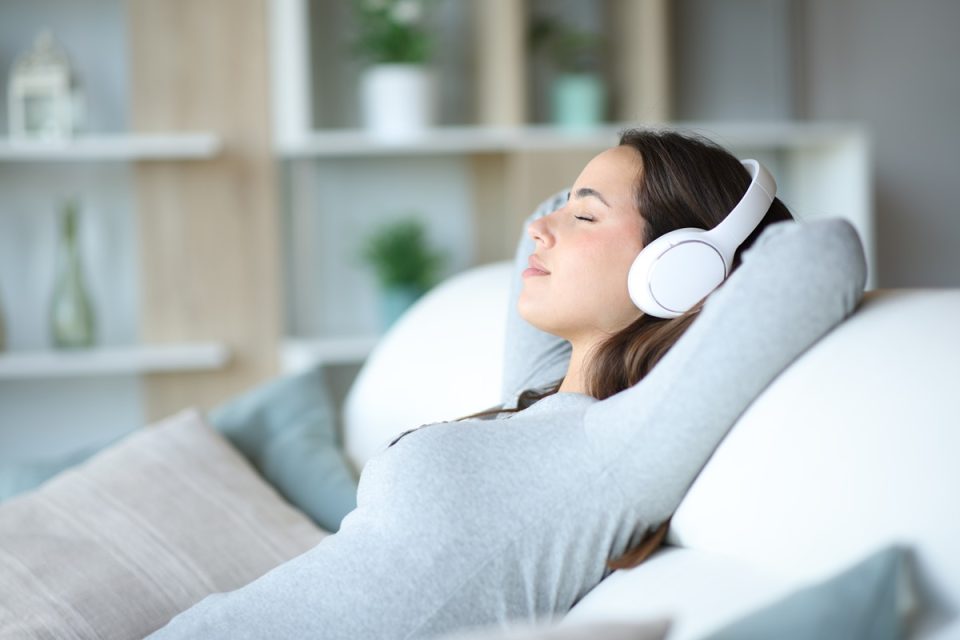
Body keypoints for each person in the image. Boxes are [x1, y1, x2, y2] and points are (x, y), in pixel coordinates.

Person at [150, 129, 866, 639]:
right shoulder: (543, 397)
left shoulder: (615, 447)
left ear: (677, 271)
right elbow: (538, 223)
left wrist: (715, 245)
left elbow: (819, 256)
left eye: (583, 216)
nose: (540, 225)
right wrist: (593, 203)